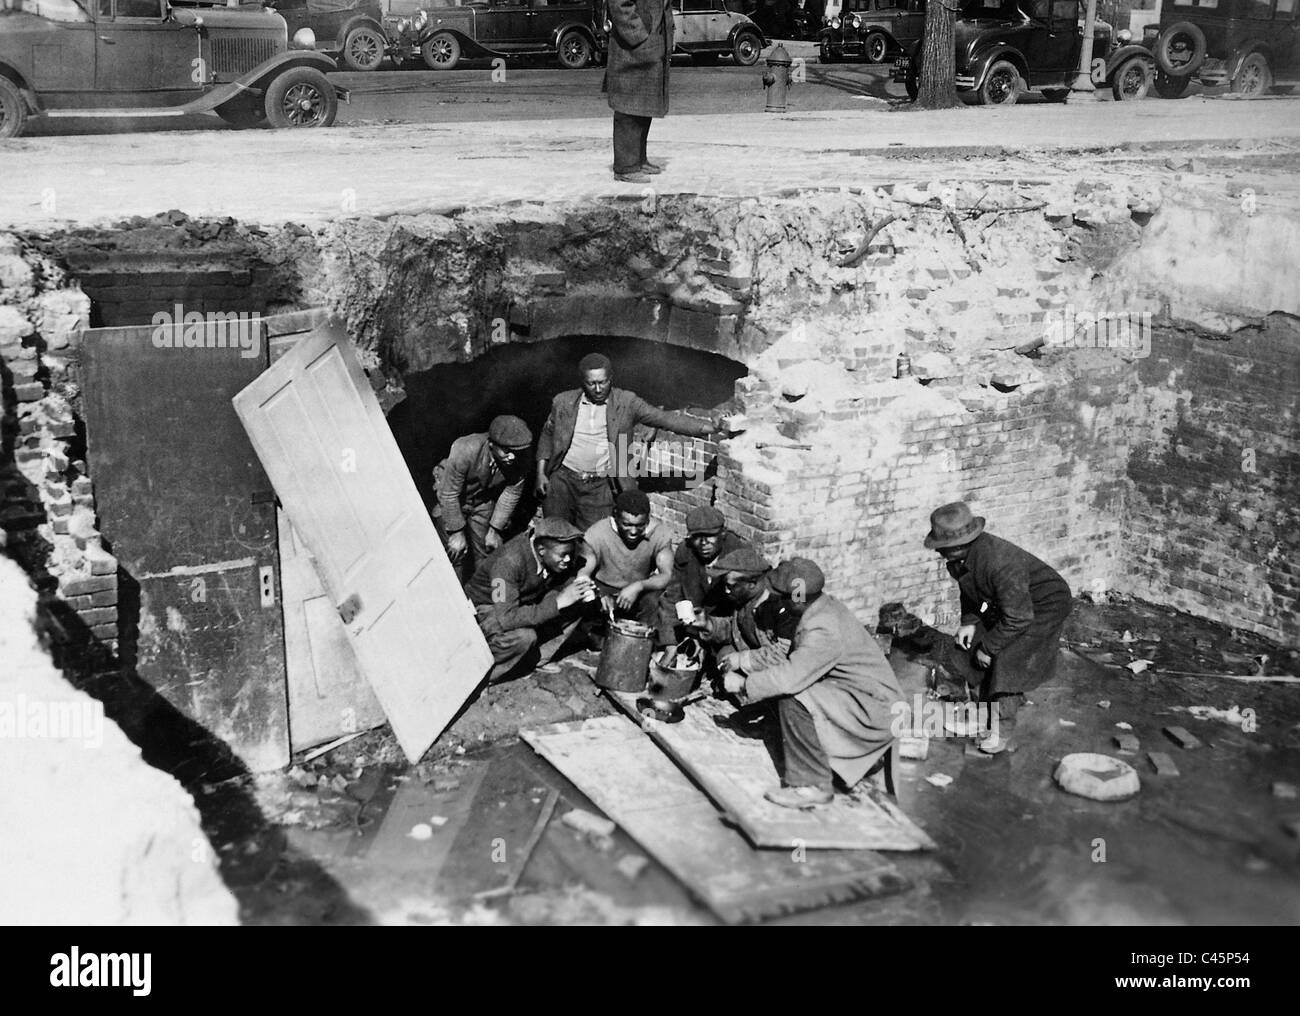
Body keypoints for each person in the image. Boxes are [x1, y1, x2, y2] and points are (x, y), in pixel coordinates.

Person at [719, 558, 904, 810]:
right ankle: (792, 741)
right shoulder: (820, 608)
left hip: (875, 709)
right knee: (785, 686)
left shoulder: (822, 627)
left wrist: (743, 684)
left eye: (782, 598)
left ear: (796, 599)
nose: (778, 604)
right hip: (858, 695)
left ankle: (812, 786)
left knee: (794, 697)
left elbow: (790, 678)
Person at [924, 501, 1073, 738]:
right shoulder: (960, 560)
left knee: (1008, 658)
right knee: (966, 648)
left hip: (1045, 605)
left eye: (944, 546)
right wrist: (969, 622)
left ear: (962, 544)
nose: (938, 551)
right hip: (1014, 604)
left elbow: (1019, 618)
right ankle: (981, 705)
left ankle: (1001, 729)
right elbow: (970, 590)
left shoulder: (999, 562)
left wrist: (989, 648)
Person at [535, 352, 723, 531]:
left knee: (593, 541)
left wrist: (709, 428)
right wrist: (541, 474)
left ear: (611, 378)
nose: (598, 389)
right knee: (555, 534)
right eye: (591, 384)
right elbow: (547, 434)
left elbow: (665, 419)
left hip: (600, 486)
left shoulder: (626, 402)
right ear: (582, 382)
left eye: (603, 382)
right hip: (562, 482)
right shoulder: (563, 401)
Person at [465, 517, 596, 684]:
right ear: (541, 550)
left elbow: (587, 553)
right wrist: (558, 602)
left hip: (519, 601)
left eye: (570, 553)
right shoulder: (508, 563)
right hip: (486, 608)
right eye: (563, 555)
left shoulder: (551, 551)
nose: (569, 559)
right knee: (524, 637)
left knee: (578, 601)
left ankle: (535, 659)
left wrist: (580, 582)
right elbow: (507, 618)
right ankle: (482, 677)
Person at [434, 415, 533, 582]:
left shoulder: (521, 458)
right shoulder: (466, 448)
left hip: (483, 501)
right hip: (453, 500)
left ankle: (484, 598)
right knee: (455, 551)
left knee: (489, 550)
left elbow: (511, 493)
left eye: (517, 452)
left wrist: (494, 530)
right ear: (491, 444)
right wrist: (457, 532)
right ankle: (456, 598)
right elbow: (449, 493)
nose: (513, 457)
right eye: (507, 451)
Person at [656, 505, 749, 663]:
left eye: (710, 536)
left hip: (725, 630)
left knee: (725, 661)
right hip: (693, 623)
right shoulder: (686, 552)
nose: (703, 543)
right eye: (697, 537)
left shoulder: (739, 558)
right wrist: (670, 643)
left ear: (723, 533)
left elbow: (741, 614)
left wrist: (707, 632)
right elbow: (673, 596)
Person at [577, 489, 675, 631]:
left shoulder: (660, 534)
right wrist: (597, 593)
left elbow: (666, 575)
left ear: (648, 519)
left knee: (654, 599)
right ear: (616, 517)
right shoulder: (597, 532)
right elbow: (583, 573)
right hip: (603, 588)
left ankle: (644, 638)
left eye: (640, 525)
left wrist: (639, 586)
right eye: (627, 524)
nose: (634, 532)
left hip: (638, 591)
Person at [603, 0, 673, 182]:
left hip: (651, 46)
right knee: (628, 106)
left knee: (644, 104)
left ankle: (639, 159)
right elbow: (619, 5)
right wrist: (639, 35)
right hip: (632, 48)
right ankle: (625, 167)